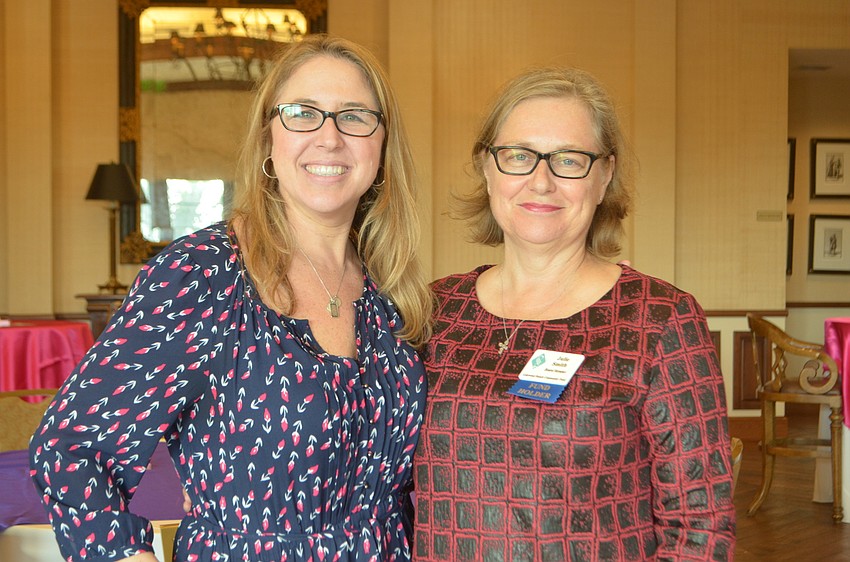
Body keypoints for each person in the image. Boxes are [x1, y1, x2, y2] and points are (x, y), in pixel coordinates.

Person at [30, 34, 432, 562]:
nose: (330, 137)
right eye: (302, 113)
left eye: (355, 116)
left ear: (381, 145)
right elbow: (70, 451)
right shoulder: (200, 276)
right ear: (269, 137)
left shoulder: (394, 293)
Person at [412, 67, 736, 561]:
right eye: (519, 156)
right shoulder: (435, 311)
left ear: (605, 175)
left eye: (568, 160)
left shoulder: (658, 319)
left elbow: (701, 528)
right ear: (487, 167)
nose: (541, 181)